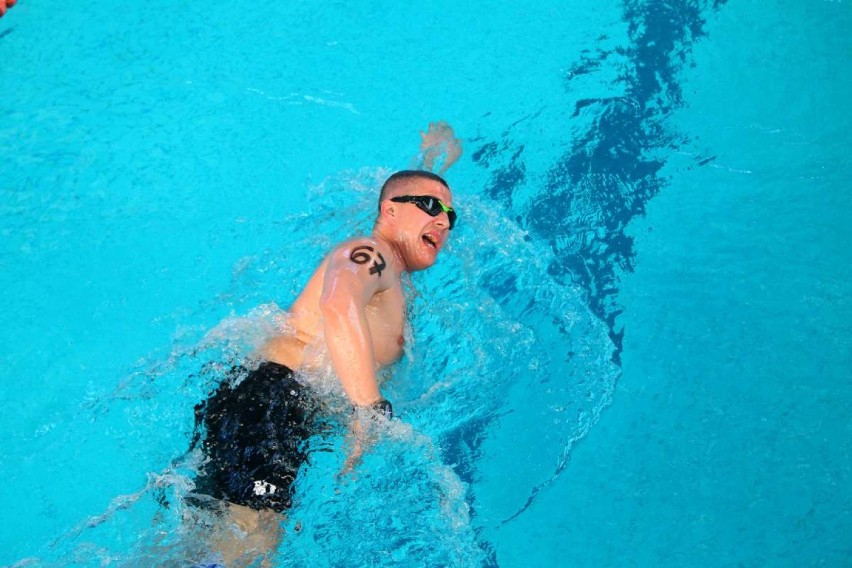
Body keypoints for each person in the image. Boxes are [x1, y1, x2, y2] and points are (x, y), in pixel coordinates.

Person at [190, 126, 462, 566]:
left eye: (451, 215)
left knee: (201, 547)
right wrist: (369, 410)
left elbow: (402, 198)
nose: (444, 221)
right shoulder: (372, 252)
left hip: (264, 404)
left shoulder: (389, 265)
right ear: (388, 211)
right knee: (247, 548)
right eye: (431, 207)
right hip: (273, 401)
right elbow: (337, 304)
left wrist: (431, 164)